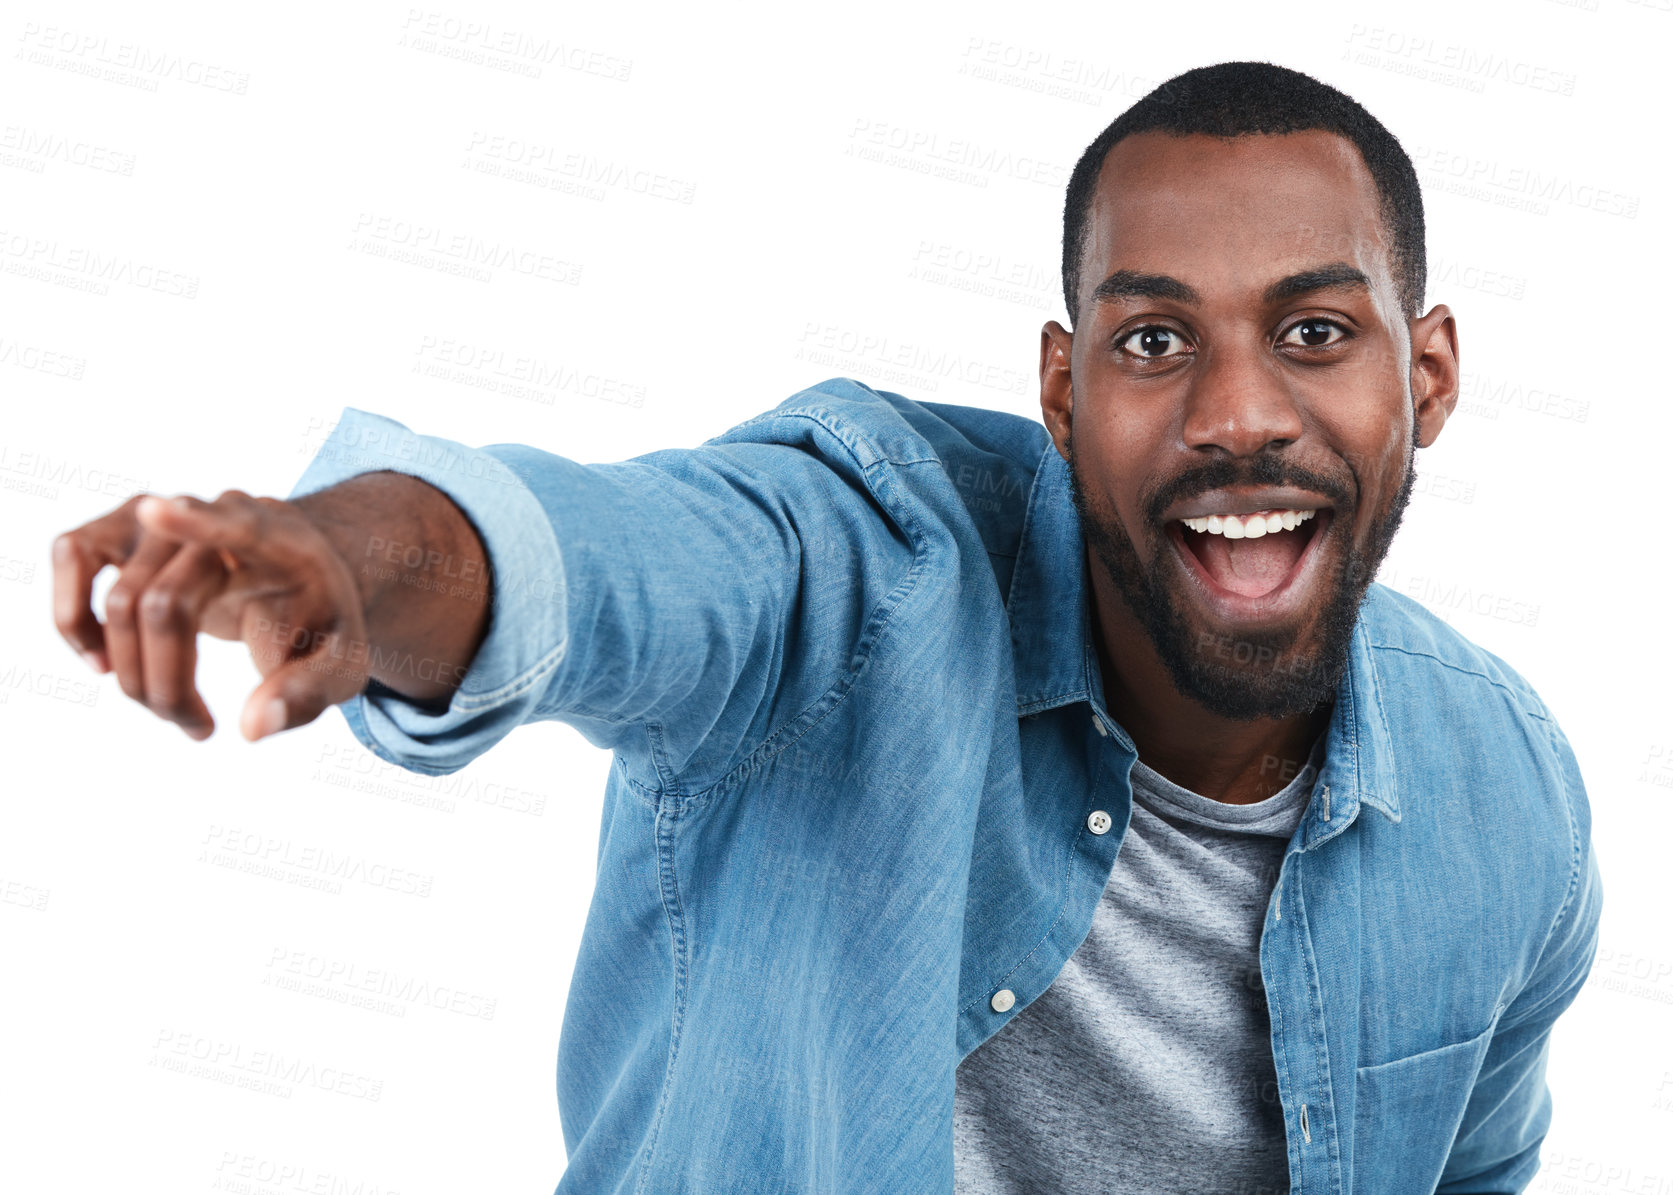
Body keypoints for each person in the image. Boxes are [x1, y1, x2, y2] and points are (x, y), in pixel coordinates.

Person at [51, 61, 1601, 1194]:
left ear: (1430, 379)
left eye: (1316, 333)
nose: (1238, 413)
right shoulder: (869, 570)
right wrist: (345, 553)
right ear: (1062, 395)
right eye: (1153, 341)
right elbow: (621, 558)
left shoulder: (1503, 797)